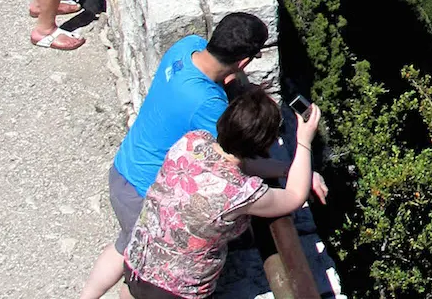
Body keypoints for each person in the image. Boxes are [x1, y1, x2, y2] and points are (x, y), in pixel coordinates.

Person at [79, 13, 329, 299]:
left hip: (127, 165)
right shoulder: (207, 106)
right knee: (137, 258)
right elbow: (240, 160)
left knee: (126, 249)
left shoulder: (186, 48)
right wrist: (298, 156)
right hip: (143, 191)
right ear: (244, 62)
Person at [123, 89, 322, 299]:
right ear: (265, 143)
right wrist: (304, 142)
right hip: (175, 290)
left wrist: (286, 169)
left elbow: (238, 163)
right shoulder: (240, 193)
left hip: (137, 263)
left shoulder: (193, 142)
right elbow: (293, 196)